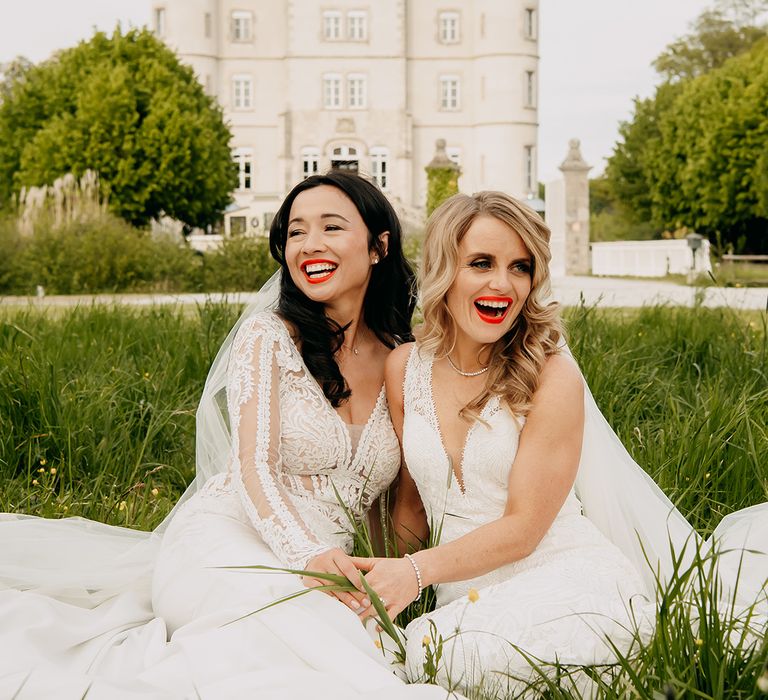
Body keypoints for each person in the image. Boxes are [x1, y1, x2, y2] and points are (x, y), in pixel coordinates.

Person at [0, 172, 450, 699]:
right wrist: (308, 556)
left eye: (331, 227)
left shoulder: (405, 359)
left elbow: (400, 500)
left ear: (378, 246)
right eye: (296, 232)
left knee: (335, 639)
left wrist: (395, 577)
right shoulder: (269, 336)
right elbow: (251, 468)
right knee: (272, 626)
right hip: (227, 539)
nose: (310, 245)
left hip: (333, 564)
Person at [352, 191, 768, 696]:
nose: (502, 284)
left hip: (568, 577)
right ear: (445, 270)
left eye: (520, 267)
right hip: (461, 593)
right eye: (481, 263)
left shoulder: (550, 373)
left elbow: (526, 528)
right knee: (376, 653)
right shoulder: (404, 369)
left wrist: (413, 574)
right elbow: (413, 509)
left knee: (434, 664)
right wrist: (374, 581)